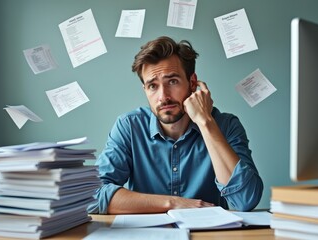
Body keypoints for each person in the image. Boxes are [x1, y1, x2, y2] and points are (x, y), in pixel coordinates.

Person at [88, 36, 263, 214]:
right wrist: (172, 203)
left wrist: (205, 122)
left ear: (193, 83)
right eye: (153, 86)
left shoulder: (226, 125)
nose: (163, 97)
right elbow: (92, 195)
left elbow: (246, 200)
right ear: (145, 90)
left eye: (172, 81)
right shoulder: (129, 127)